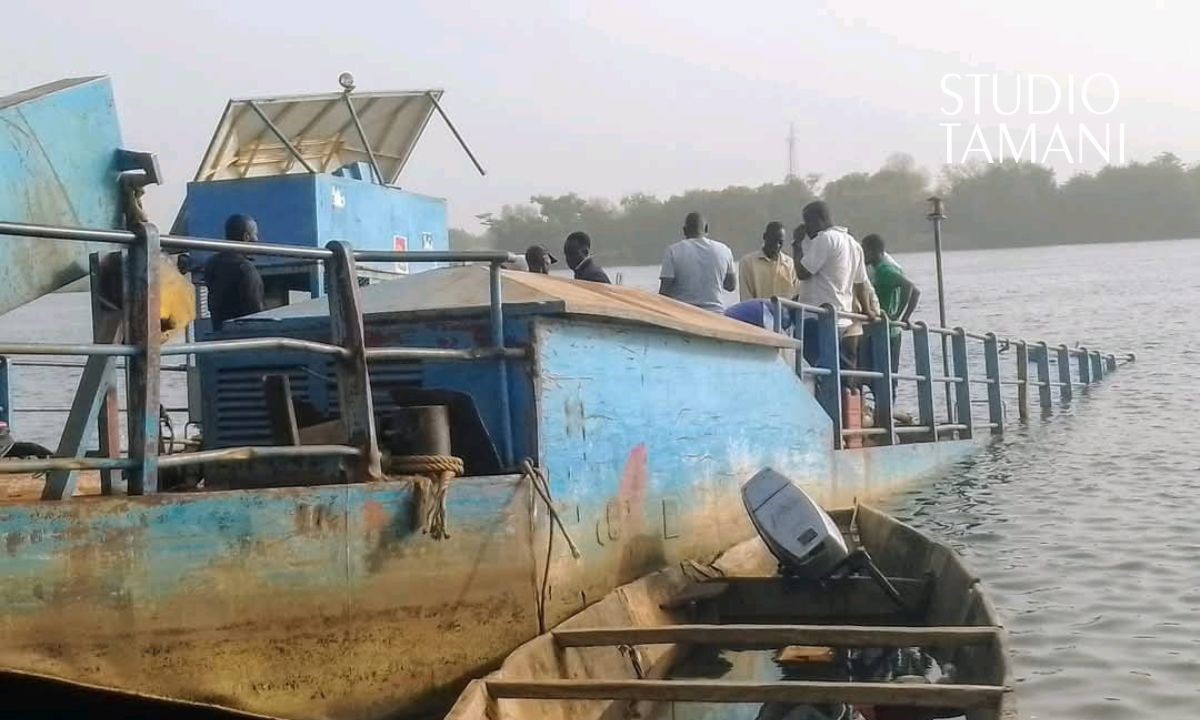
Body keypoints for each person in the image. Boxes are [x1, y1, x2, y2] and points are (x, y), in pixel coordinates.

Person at [792, 202, 877, 369]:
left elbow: (803, 272)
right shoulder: (853, 243)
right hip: (844, 320)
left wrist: (797, 245)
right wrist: (867, 310)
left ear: (819, 219)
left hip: (818, 318)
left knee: (817, 372)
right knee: (840, 376)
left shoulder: (824, 239)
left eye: (807, 222)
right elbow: (860, 282)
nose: (806, 228)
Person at [861, 234, 921, 387]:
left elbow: (911, 288)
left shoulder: (885, 270)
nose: (863, 255)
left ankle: (885, 407)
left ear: (874, 251)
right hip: (882, 330)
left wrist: (901, 316)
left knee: (884, 377)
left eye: (865, 251)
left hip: (887, 331)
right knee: (873, 375)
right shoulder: (879, 270)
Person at [658, 212, 736, 312]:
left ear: (684, 230)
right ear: (707, 228)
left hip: (683, 315)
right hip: (716, 315)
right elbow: (731, 286)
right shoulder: (724, 250)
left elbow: (664, 292)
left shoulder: (673, 251)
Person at [205, 214, 265, 331]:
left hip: (220, 334)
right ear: (246, 237)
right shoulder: (246, 269)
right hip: (243, 337)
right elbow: (256, 312)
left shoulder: (212, 264)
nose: (257, 239)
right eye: (255, 234)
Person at [738, 221, 796, 301]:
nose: (777, 245)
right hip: (757, 312)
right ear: (765, 237)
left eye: (780, 242)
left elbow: (796, 296)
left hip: (784, 312)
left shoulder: (790, 264)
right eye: (773, 240)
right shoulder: (748, 262)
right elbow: (746, 297)